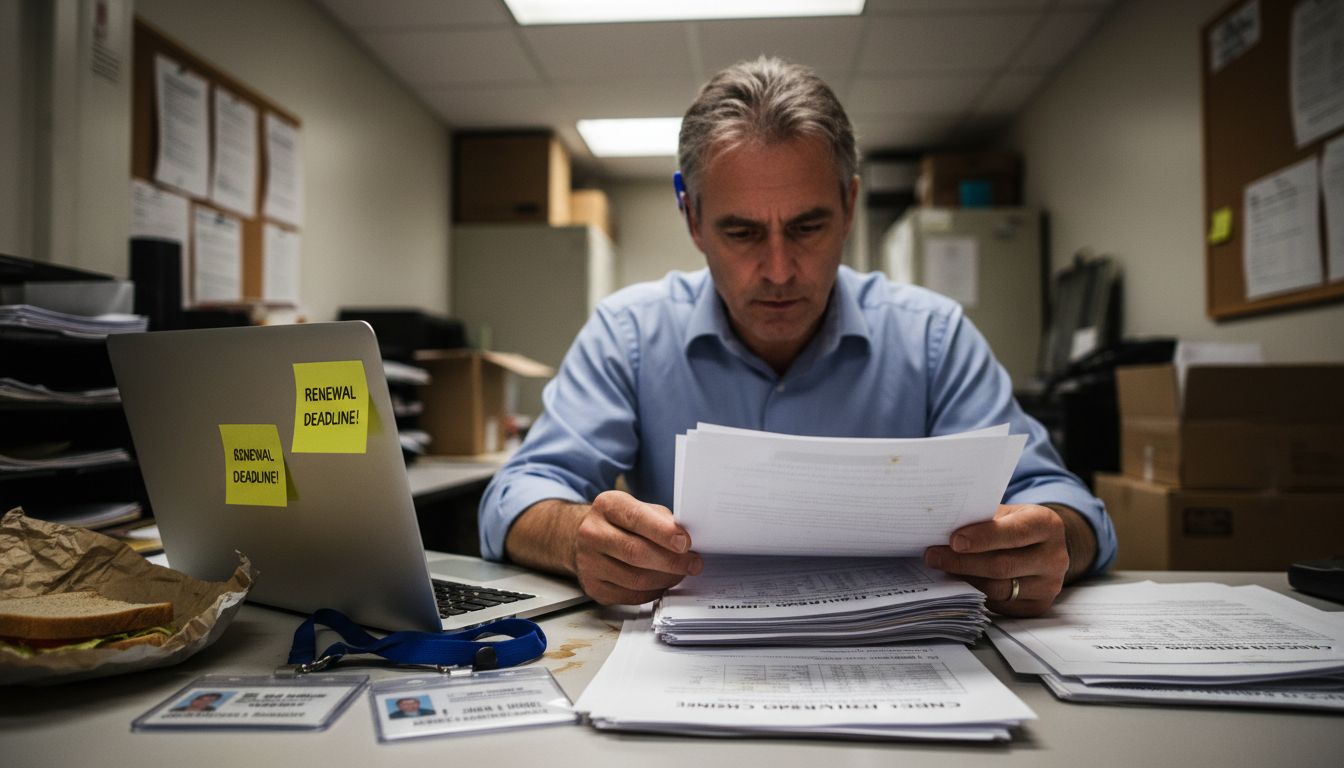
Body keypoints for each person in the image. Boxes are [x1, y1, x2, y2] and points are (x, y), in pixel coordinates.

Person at [478, 56, 1116, 617]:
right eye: (743, 233)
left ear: (848, 206)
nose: (780, 270)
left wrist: (1051, 539)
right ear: (692, 217)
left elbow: (1063, 504)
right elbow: (518, 495)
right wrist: (579, 538)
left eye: (808, 227)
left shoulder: (933, 338)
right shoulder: (629, 334)